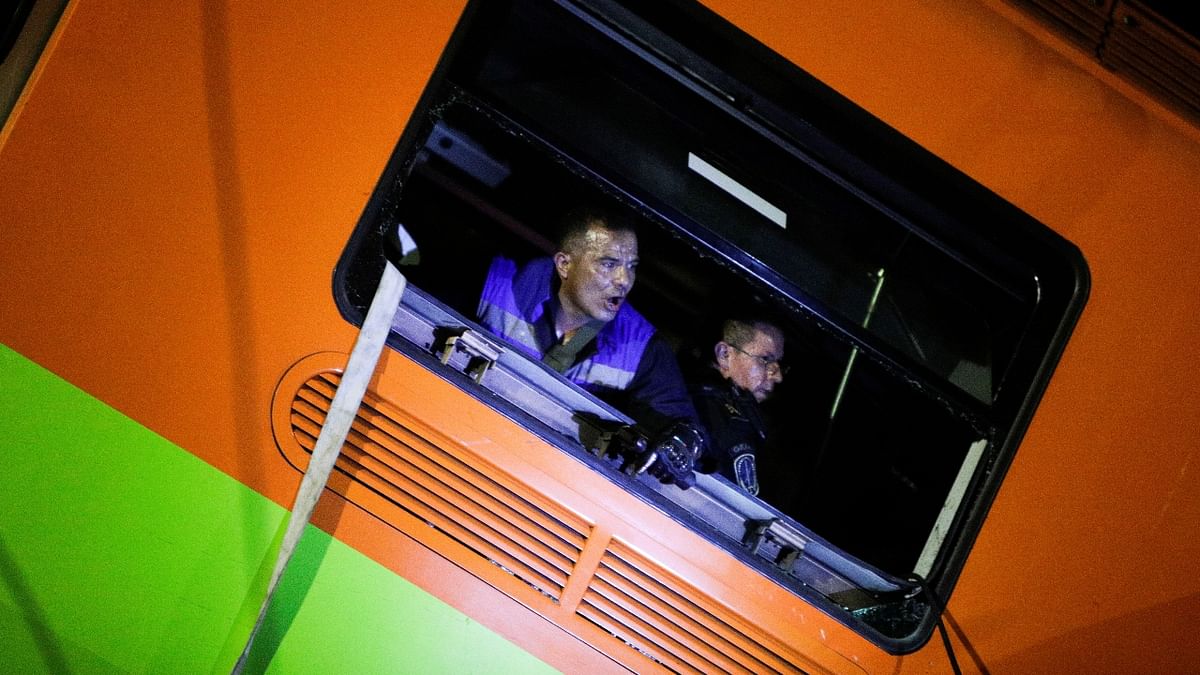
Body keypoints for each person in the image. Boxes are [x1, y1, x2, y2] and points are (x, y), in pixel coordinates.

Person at [476, 205, 704, 485]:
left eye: (631, 267)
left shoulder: (640, 344)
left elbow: (683, 427)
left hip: (550, 477)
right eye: (608, 264)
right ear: (564, 265)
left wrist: (681, 443)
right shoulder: (498, 280)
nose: (624, 281)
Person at [688, 317, 785, 496]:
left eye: (779, 365)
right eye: (765, 359)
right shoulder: (709, 409)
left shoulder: (743, 411)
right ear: (725, 355)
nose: (778, 376)